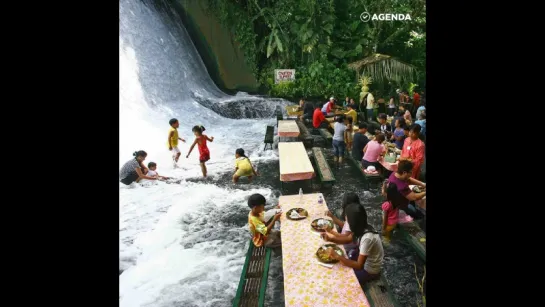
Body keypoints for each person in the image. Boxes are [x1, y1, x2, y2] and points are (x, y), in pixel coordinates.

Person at [322, 203, 384, 285]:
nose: (346, 222)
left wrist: (337, 256)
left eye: (347, 220)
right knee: (346, 258)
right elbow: (348, 239)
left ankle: (373, 277)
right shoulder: (361, 226)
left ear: (353, 223)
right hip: (363, 257)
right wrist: (330, 239)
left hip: (370, 269)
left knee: (346, 278)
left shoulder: (367, 238)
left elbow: (359, 265)